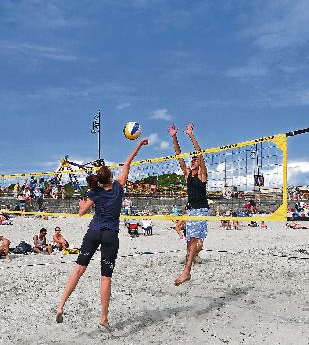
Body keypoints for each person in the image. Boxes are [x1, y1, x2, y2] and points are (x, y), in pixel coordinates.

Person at [56, 138, 148, 330]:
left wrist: (82, 203)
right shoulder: (118, 186)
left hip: (94, 232)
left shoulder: (95, 192)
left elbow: (81, 212)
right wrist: (139, 145)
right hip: (110, 235)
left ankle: (61, 305)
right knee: (105, 277)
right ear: (111, 177)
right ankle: (103, 317)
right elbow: (128, 162)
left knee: (79, 269)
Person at [168, 122, 209, 286]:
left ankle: (187, 272)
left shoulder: (202, 175)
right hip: (191, 210)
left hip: (201, 210)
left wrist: (191, 135)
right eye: (191, 159)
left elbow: (200, 153)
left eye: (195, 160)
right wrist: (174, 137)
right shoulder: (187, 174)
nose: (192, 160)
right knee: (191, 243)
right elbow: (178, 155)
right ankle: (192, 258)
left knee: (193, 241)